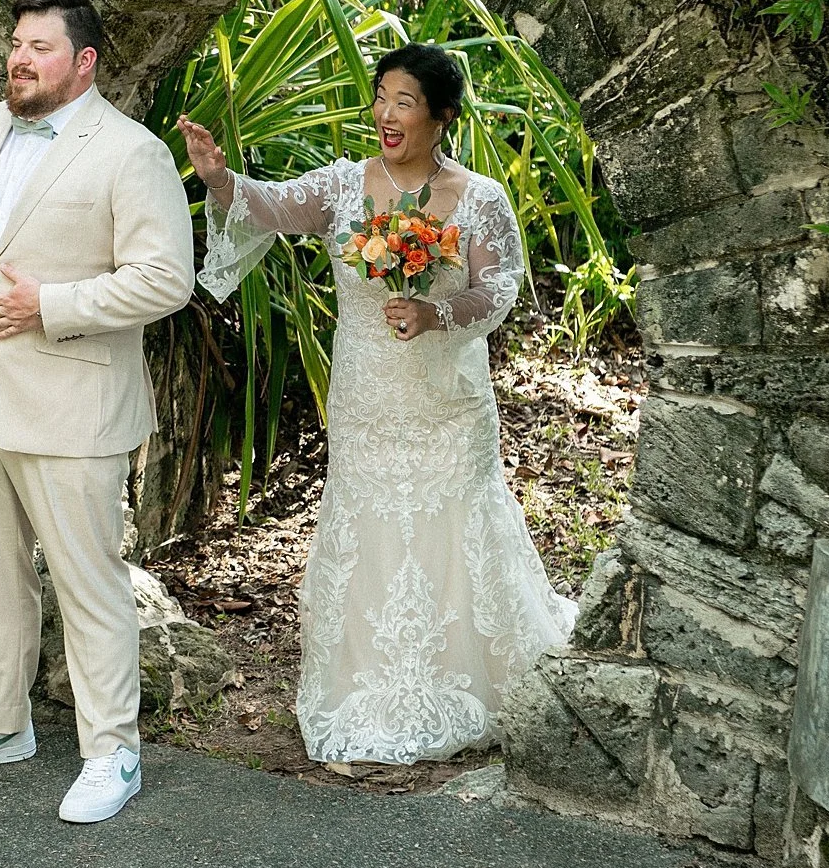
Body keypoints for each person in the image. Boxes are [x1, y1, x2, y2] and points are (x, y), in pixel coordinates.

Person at [177, 43, 576, 765]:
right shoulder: (342, 185)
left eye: (405, 101)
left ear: (442, 115)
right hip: (366, 392)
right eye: (381, 96)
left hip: (447, 398)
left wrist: (438, 316)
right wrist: (219, 176)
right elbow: (270, 206)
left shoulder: (478, 196)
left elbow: (500, 288)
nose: (386, 115)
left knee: (456, 513)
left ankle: (475, 673)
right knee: (368, 514)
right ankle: (365, 681)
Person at [0, 0, 195, 823]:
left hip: (74, 403)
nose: (19, 59)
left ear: (85, 62)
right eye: (15, 44)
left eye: (38, 47)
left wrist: (50, 306)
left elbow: (165, 280)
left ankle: (114, 754)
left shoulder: (131, 153)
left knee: (88, 582)